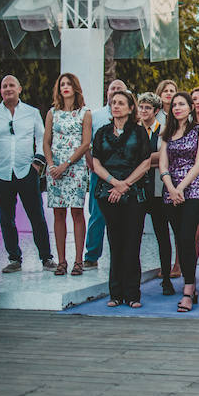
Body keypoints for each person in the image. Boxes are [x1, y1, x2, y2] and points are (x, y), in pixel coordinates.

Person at [0, 75, 54, 273]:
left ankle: (46, 257)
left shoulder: (31, 113)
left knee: (37, 216)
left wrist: (38, 163)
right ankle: (14, 258)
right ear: (0, 91)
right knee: (6, 219)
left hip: (26, 171)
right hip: (0, 173)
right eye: (4, 86)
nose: (8, 89)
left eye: (11, 85)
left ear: (19, 88)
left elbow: (41, 137)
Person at [91, 91, 152, 308]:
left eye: (121, 103)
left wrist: (124, 184)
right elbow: (95, 162)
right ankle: (115, 294)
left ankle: (133, 294)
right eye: (113, 103)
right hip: (108, 192)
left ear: (130, 108)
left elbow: (145, 163)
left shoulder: (139, 132)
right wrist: (113, 183)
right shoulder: (101, 132)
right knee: (115, 243)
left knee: (132, 243)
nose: (116, 106)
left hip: (134, 192)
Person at [159, 92, 199, 312]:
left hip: (192, 190)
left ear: (190, 107)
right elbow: (163, 164)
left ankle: (188, 289)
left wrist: (181, 187)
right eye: (174, 105)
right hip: (170, 192)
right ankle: (191, 283)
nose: (177, 108)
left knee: (188, 238)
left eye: (181, 104)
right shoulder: (167, 132)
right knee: (180, 239)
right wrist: (171, 187)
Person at [43, 73, 92, 276]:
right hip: (55, 169)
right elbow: (46, 141)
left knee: (77, 212)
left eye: (69, 84)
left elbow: (85, 143)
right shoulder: (52, 113)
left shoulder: (84, 113)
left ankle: (79, 261)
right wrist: (51, 164)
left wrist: (66, 164)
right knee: (58, 213)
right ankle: (61, 261)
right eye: (62, 84)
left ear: (75, 88)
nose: (65, 87)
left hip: (75, 166)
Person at [136, 92, 176, 296]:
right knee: (134, 235)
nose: (143, 111)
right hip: (137, 189)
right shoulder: (133, 130)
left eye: (147, 108)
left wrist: (142, 160)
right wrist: (150, 160)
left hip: (159, 189)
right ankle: (133, 280)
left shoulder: (164, 130)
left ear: (156, 111)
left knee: (162, 235)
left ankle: (166, 278)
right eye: (141, 107)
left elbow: (165, 155)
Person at [84, 78, 127, 272]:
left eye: (120, 89)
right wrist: (91, 163)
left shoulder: (132, 117)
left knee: (123, 216)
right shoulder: (94, 115)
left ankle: (121, 256)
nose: (115, 92)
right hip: (99, 172)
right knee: (97, 215)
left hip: (124, 174)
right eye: (112, 89)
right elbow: (86, 143)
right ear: (107, 93)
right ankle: (91, 256)